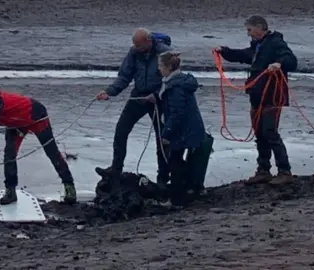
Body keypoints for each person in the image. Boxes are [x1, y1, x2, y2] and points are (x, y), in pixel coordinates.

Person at [0, 83, 77, 205]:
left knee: (52, 152)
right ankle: (10, 192)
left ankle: (69, 187)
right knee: (9, 156)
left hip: (36, 116)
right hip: (16, 124)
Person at [214, 15, 298, 186]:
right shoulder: (258, 46)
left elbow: (291, 60)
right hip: (256, 96)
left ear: (260, 28)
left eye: (250, 30)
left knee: (270, 133)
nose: (248, 34)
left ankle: (285, 171)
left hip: (272, 97)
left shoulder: (275, 42)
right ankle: (263, 171)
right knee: (260, 134)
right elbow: (244, 55)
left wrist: (279, 64)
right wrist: (224, 51)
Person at [95, 28, 172, 184]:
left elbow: (170, 79)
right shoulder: (134, 52)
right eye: (136, 46)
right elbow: (124, 76)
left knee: (162, 138)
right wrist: (109, 92)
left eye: (140, 46)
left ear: (149, 41)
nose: (138, 50)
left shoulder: (164, 53)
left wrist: (157, 95)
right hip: (138, 96)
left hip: (158, 99)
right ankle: (116, 169)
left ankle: (163, 177)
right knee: (121, 130)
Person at [155, 51, 206, 206]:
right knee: (177, 161)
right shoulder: (178, 81)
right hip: (187, 128)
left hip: (183, 130)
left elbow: (177, 113)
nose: (158, 69)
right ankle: (191, 189)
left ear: (168, 67)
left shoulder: (175, 86)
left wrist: (166, 134)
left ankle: (177, 200)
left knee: (175, 162)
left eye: (160, 66)